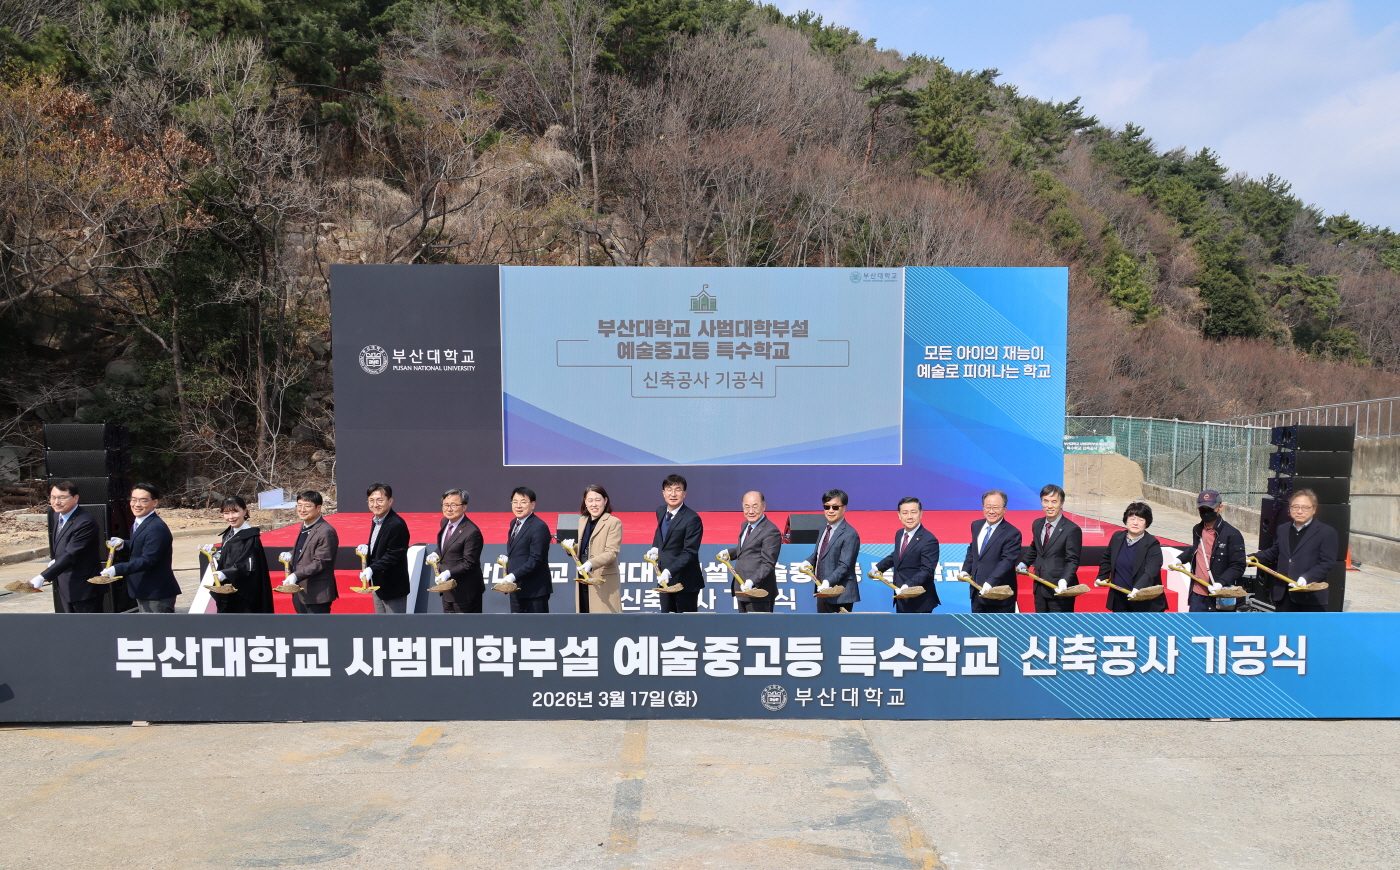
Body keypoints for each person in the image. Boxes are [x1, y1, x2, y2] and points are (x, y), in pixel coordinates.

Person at [1251, 488, 1338, 612]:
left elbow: (1327, 563)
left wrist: (1306, 578)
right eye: (1295, 507)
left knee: (1307, 631)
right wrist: (1250, 557)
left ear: (1314, 509)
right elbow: (1274, 552)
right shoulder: (1283, 529)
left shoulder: (1326, 532)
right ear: (1290, 508)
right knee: (1284, 630)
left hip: (1310, 597)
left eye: (1305, 507)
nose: (1300, 511)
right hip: (1283, 595)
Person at [102, 483, 179, 613]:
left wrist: (117, 569)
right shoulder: (140, 521)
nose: (137, 504)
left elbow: (148, 559)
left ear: (154, 502)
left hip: (156, 593)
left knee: (155, 631)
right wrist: (124, 544)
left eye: (143, 500)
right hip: (144, 589)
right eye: (134, 499)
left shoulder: (156, 527)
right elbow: (143, 543)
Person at [28, 480, 103, 612]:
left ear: (75, 498)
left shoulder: (85, 522)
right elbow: (63, 545)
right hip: (65, 585)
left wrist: (43, 576)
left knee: (88, 629)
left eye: (62, 497)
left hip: (84, 589)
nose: (56, 502)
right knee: (71, 628)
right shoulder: (58, 515)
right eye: (53, 497)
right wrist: (55, 561)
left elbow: (71, 555)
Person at [1177, 490, 1245, 612]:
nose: (1206, 512)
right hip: (1197, 595)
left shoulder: (1232, 534)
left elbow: (1238, 566)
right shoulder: (1197, 530)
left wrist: (1220, 582)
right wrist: (1180, 558)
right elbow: (1197, 549)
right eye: (1202, 509)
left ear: (1220, 508)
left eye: (1210, 508)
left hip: (1219, 595)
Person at [203, 496, 274, 613]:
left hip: (244, 593)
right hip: (228, 589)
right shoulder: (229, 533)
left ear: (244, 511)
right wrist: (217, 555)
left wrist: (225, 573)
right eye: (226, 513)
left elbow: (247, 565)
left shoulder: (250, 537)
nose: (230, 517)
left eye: (235, 512)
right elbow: (232, 555)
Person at [1021, 484, 1084, 613]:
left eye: (1054, 501)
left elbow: (1072, 560)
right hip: (1039, 586)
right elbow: (1036, 546)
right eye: (1046, 501)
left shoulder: (1072, 529)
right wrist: (1024, 562)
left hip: (1059, 589)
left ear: (1062, 503)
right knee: (1041, 627)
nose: (1049, 506)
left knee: (1059, 629)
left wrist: (1064, 580)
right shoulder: (1037, 524)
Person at [873, 496, 940, 613]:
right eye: (905, 513)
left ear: (921, 514)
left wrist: (907, 586)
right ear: (899, 515)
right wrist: (878, 567)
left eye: (913, 512)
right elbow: (898, 554)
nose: (909, 517)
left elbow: (927, 570)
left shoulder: (929, 540)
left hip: (919, 600)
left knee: (919, 631)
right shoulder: (900, 534)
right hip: (901, 597)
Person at [649, 474, 704, 613]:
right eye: (669, 489)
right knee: (666, 624)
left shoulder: (692, 519)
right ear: (663, 493)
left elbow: (690, 552)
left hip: (685, 582)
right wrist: (655, 546)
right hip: (664, 581)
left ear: (684, 493)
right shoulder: (661, 511)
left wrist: (669, 571)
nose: (673, 494)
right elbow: (661, 533)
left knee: (685, 627)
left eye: (678, 489)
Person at [719, 490, 782, 613]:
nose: (751, 511)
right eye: (746, 507)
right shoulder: (745, 525)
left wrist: (751, 581)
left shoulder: (771, 531)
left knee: (759, 631)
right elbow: (747, 549)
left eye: (755, 506)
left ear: (764, 506)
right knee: (744, 631)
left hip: (758, 592)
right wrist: (730, 553)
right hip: (742, 590)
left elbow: (768, 563)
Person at [1097, 501, 1166, 613]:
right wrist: (1102, 575)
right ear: (1126, 519)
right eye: (1132, 518)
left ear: (1147, 523)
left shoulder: (1152, 543)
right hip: (1120, 598)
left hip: (1144, 600)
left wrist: (1137, 589)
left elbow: (1151, 571)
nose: (1135, 523)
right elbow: (1107, 558)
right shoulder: (1117, 537)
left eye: (1140, 519)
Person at [799, 489, 861, 613]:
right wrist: (809, 561)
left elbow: (845, 565)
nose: (830, 511)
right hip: (822, 590)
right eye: (827, 507)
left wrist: (828, 582)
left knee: (839, 631)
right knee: (823, 630)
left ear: (844, 508)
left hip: (840, 594)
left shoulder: (850, 534)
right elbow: (820, 552)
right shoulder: (823, 527)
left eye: (835, 507)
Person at [962, 489, 1022, 613]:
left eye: (996, 507)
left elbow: (1007, 562)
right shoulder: (976, 525)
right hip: (977, 590)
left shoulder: (1012, 533)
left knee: (999, 631)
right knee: (978, 630)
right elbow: (973, 550)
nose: (991, 511)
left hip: (999, 595)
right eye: (988, 507)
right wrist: (965, 569)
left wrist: (990, 583)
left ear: (1005, 509)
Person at [286, 490, 339, 614]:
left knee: (318, 631)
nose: (302, 509)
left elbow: (321, 562)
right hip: (301, 592)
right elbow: (305, 550)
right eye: (299, 505)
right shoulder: (305, 526)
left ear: (318, 508)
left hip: (317, 594)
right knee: (304, 631)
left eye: (307, 506)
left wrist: (296, 575)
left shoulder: (326, 531)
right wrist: (290, 554)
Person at [361, 482, 411, 613]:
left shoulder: (396, 524)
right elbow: (381, 544)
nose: (375, 504)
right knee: (382, 625)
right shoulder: (376, 520)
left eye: (379, 500)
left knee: (395, 628)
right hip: (378, 583)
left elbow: (394, 554)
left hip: (392, 585)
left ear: (390, 501)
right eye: (371, 500)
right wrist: (367, 548)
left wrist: (372, 568)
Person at [434, 489, 484, 613]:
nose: (449, 509)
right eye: (446, 505)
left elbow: (469, 562)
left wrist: (447, 573)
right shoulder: (445, 522)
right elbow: (447, 545)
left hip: (465, 593)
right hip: (447, 591)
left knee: (467, 630)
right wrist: (436, 553)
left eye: (454, 505)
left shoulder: (472, 532)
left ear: (464, 507)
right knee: (450, 630)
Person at [503, 486, 552, 613]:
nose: (518, 506)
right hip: (516, 589)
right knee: (518, 629)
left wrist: (513, 575)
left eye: (523, 502)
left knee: (537, 630)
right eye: (515, 502)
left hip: (534, 591)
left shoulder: (538, 526)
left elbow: (536, 559)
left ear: (533, 505)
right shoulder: (514, 523)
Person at [574, 484, 622, 613]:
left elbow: (612, 552)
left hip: (602, 579)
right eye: (590, 500)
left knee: (604, 623)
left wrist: (591, 563)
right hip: (583, 577)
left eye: (597, 500)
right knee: (585, 617)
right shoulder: (582, 520)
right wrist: (571, 548)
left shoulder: (613, 522)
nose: (593, 504)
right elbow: (586, 545)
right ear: (585, 502)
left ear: (605, 501)